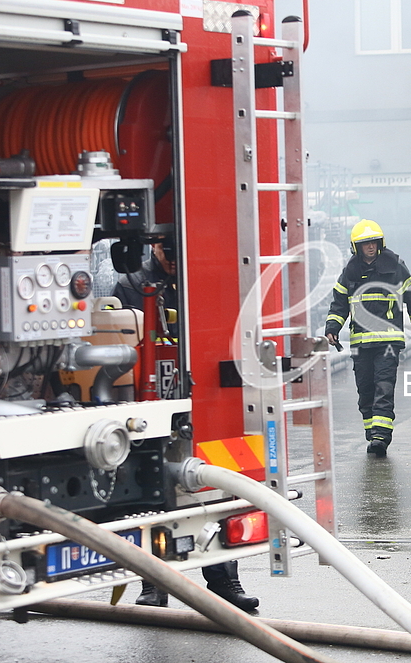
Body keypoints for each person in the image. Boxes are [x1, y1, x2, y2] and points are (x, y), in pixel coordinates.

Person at [113, 236, 259, 612]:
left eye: (181, 250)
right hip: (153, 404)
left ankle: (224, 580)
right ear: (155, 247)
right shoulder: (131, 285)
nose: (175, 259)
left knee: (217, 489)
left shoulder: (204, 283)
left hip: (203, 399)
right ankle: (154, 585)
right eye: (168, 251)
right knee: (153, 495)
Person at [325, 219, 411, 456]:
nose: (370, 247)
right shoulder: (349, 272)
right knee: (365, 390)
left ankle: (381, 436)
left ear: (380, 243)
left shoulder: (396, 267)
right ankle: (372, 431)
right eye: (365, 243)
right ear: (356, 247)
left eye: (373, 242)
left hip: (388, 343)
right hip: (361, 344)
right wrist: (332, 327)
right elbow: (339, 304)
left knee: (383, 386)